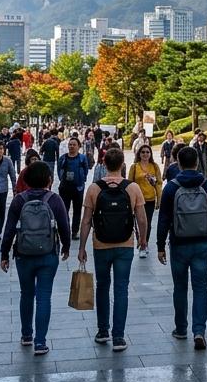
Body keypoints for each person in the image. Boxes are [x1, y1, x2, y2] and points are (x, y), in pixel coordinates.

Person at [77, 147, 148, 353]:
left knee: (102, 286)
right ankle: (119, 337)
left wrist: (81, 247)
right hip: (125, 244)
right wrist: (143, 239)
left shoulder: (94, 188)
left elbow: (86, 221)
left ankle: (102, 331)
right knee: (121, 289)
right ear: (122, 165)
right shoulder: (133, 188)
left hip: (101, 244)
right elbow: (142, 218)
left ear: (104, 164)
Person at [157, 145, 207, 351]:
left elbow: (164, 219)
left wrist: (160, 246)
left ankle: (180, 328)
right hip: (202, 243)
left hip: (179, 243)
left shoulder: (171, 187)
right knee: (199, 288)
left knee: (180, 287)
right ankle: (199, 330)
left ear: (178, 162)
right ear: (197, 162)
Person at [0, 162, 71, 355]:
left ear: (27, 178)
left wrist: (4, 254)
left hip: (23, 255)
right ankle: (40, 342)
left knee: (26, 294)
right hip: (48, 254)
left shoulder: (19, 200)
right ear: (49, 179)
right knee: (44, 297)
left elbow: (9, 230)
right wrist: (66, 246)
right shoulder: (55, 200)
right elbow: (65, 226)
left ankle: (26, 335)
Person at [129, 144, 161, 258]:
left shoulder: (155, 166)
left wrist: (159, 199)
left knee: (146, 222)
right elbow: (129, 183)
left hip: (150, 198)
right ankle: (140, 241)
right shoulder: (134, 167)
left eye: (147, 152)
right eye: (143, 152)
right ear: (139, 154)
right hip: (137, 199)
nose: (145, 154)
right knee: (138, 222)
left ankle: (144, 244)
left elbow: (159, 183)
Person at [56, 138, 90, 236]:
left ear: (79, 146)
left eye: (74, 145)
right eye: (70, 144)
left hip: (78, 188)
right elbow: (59, 170)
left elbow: (86, 170)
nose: (72, 146)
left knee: (77, 210)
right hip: (65, 188)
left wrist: (82, 179)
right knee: (64, 209)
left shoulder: (82, 158)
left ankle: (75, 231)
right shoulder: (63, 158)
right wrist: (61, 179)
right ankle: (64, 229)